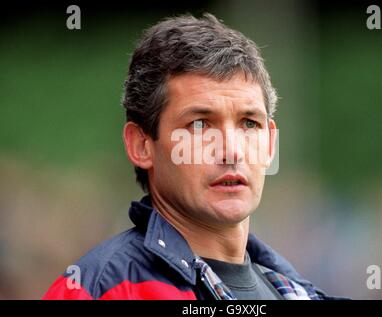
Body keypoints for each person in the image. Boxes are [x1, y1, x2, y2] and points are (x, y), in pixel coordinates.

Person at [43, 13, 333, 300]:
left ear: (270, 145)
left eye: (249, 123)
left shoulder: (298, 293)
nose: (231, 151)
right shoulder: (96, 291)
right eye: (199, 125)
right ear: (142, 145)